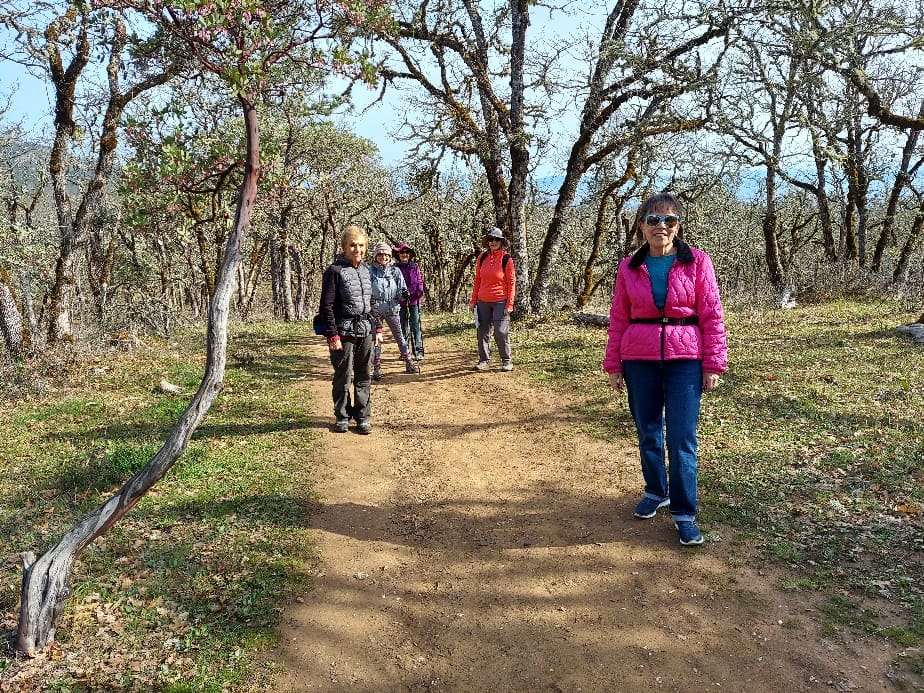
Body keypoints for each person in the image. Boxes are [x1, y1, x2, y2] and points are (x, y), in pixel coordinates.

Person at [601, 192, 728, 546]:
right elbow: (618, 318)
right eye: (653, 220)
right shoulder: (628, 267)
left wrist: (714, 363)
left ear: (678, 226)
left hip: (686, 359)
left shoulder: (698, 262)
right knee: (648, 431)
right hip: (638, 358)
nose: (661, 226)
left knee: (682, 438)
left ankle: (685, 512)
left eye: (669, 220)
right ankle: (656, 491)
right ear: (641, 225)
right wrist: (613, 363)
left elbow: (712, 315)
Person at [318, 225, 383, 434]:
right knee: (343, 376)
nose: (357, 249)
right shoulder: (334, 271)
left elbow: (371, 301)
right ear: (344, 247)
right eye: (352, 245)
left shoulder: (366, 270)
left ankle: (362, 417)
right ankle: (342, 416)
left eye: (361, 245)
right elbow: (326, 306)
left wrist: (378, 328)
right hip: (343, 331)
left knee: (364, 374)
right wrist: (332, 334)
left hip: (365, 330)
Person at [470, 227, 516, 372]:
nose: (493, 242)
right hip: (482, 301)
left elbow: (511, 282)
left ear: (501, 241)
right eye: (491, 239)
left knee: (500, 332)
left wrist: (510, 304)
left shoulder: (506, 259)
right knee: (482, 331)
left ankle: (507, 360)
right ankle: (484, 360)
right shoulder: (482, 257)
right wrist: (473, 300)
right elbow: (477, 279)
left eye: (496, 239)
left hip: (500, 301)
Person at [369, 241, 417, 378]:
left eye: (386, 255)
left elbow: (402, 288)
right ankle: (376, 368)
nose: (383, 257)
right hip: (375, 309)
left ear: (390, 256)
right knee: (376, 339)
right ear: (376, 255)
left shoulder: (395, 271)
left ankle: (408, 361)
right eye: (380, 254)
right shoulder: (370, 271)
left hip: (392, 308)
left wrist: (405, 295)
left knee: (399, 336)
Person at [393, 242, 426, 360]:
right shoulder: (395, 268)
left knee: (416, 326)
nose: (404, 254)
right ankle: (405, 351)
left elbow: (419, 281)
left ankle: (418, 351)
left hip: (414, 300)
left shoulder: (415, 266)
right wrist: (399, 295)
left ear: (410, 254)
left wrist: (420, 291)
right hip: (401, 301)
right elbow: (393, 284)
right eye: (402, 252)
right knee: (402, 326)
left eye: (407, 252)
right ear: (398, 254)